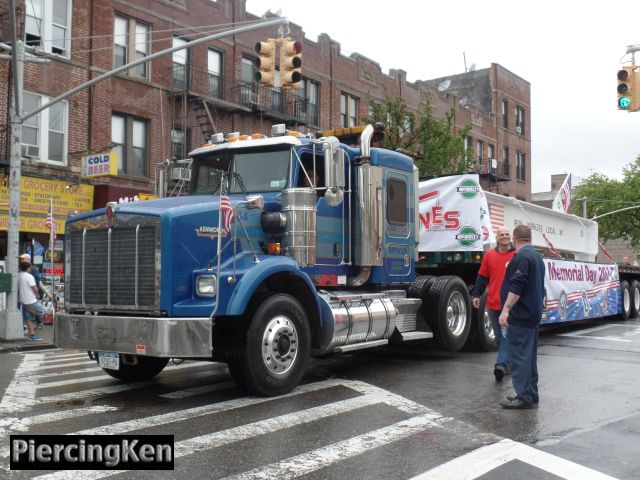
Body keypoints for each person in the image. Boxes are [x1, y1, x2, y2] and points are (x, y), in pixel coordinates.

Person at [498, 225, 546, 409]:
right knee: (529, 357)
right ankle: (531, 394)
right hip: (532, 314)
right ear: (529, 238)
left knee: (519, 356)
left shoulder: (521, 257)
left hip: (521, 315)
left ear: (514, 239)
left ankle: (524, 396)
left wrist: (506, 310)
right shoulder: (537, 257)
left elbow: (517, 286)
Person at [471, 226, 516, 382]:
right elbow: (482, 277)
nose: (504, 236)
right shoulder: (489, 255)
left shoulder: (517, 255)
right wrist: (476, 294)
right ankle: (508, 364)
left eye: (507, 234)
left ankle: (500, 365)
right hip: (493, 304)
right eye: (501, 234)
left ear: (511, 237)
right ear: (496, 238)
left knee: (505, 337)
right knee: (499, 338)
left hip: (509, 306)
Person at [18, 261, 45, 341]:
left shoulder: (19, 276)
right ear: (28, 268)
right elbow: (34, 287)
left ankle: (32, 335)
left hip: (23, 299)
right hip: (30, 299)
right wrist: (37, 294)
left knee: (28, 319)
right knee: (41, 312)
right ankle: (27, 308)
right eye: (30, 267)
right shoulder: (29, 276)